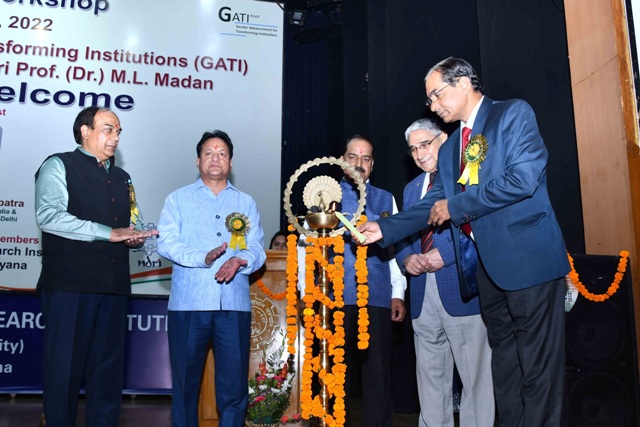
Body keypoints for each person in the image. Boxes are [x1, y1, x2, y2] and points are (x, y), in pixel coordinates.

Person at [357, 57, 569, 427]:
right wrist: (384, 228)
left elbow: (522, 180)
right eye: (429, 100)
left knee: (539, 373)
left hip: (530, 261)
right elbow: (431, 201)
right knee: (505, 373)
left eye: (436, 95)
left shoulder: (511, 114)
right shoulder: (454, 145)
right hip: (488, 271)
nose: (433, 106)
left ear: (464, 83)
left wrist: (456, 206)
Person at [35, 106, 156, 427]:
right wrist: (109, 233)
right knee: (64, 373)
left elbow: (134, 220)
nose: (115, 137)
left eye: (118, 131)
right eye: (108, 129)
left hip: (114, 288)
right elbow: (48, 216)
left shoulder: (123, 177)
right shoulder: (58, 164)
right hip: (69, 288)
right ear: (85, 131)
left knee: (107, 377)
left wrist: (135, 237)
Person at [157, 130, 266, 427]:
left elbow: (257, 248)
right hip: (189, 305)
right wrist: (201, 257)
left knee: (234, 390)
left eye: (222, 154)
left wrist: (240, 259)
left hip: (233, 306)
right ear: (198, 161)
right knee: (185, 387)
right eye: (208, 153)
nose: (215, 158)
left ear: (230, 162)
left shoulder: (246, 202)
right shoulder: (177, 199)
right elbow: (166, 243)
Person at [396, 118, 494, 426]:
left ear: (445, 138)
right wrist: (406, 258)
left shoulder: (467, 175)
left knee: (476, 382)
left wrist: (446, 255)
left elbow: (483, 225)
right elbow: (402, 234)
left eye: (425, 144)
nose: (419, 154)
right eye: (413, 149)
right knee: (430, 381)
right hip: (422, 295)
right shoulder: (411, 189)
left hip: (461, 291)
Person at [339, 135, 407, 427]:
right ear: (342, 161)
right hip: (336, 297)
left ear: (372, 164)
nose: (359, 163)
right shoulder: (323, 195)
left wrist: (398, 292)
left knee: (378, 375)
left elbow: (397, 249)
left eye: (365, 158)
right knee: (336, 374)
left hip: (377, 296)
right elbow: (306, 248)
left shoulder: (386, 198)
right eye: (353, 156)